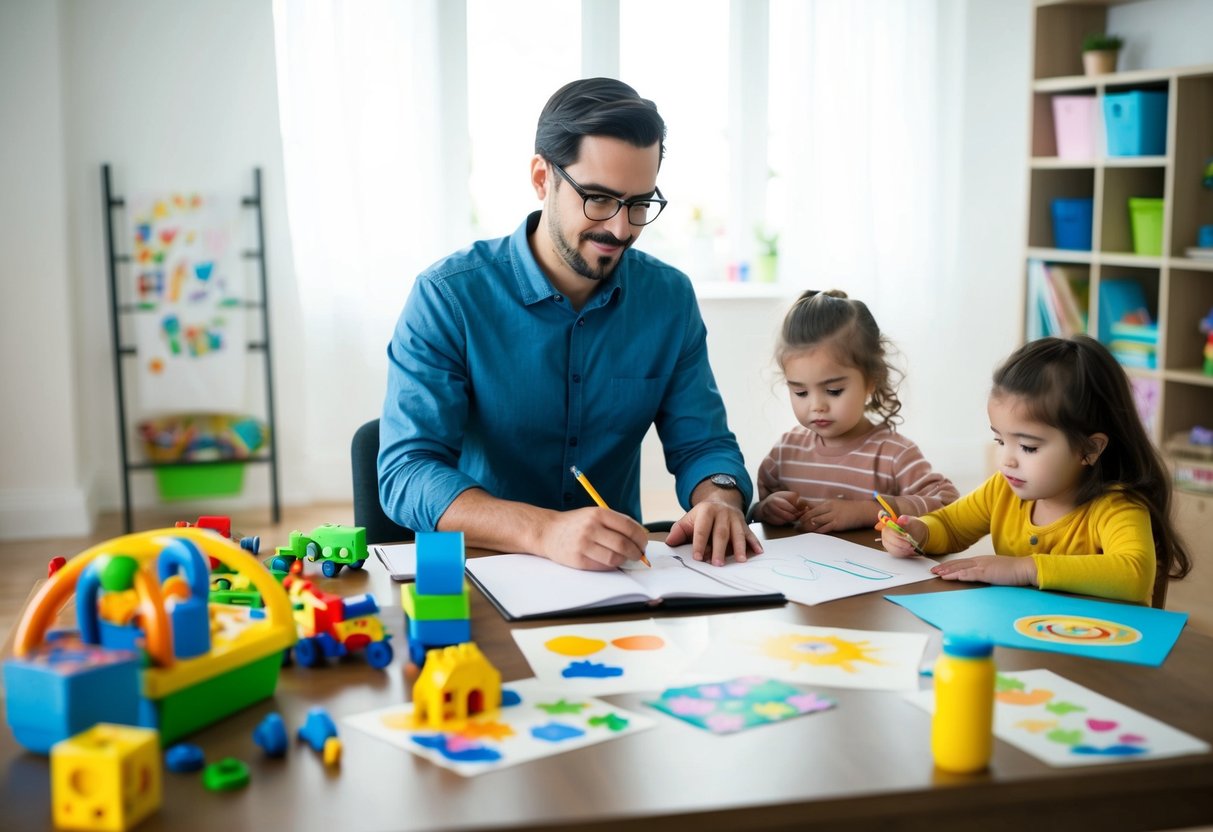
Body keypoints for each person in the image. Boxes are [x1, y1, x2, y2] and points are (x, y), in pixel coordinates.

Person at [379, 78, 760, 571]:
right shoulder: (448, 296)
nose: (621, 229)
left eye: (640, 204)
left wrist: (720, 500)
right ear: (542, 178)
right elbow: (407, 472)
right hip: (483, 569)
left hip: (617, 578)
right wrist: (544, 530)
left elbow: (704, 444)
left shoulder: (669, 299)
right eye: (598, 199)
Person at [881, 334, 1192, 605]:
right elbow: (949, 527)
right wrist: (918, 532)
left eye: (1028, 447)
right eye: (999, 440)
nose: (1006, 460)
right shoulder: (1002, 489)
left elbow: (1134, 574)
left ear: (1090, 449)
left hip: (1098, 658)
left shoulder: (1117, 507)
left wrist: (1025, 568)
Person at [752, 289, 958, 531]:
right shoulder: (784, 453)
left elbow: (949, 505)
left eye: (834, 390)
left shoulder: (894, 455)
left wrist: (868, 511)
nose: (816, 406)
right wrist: (764, 509)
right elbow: (751, 513)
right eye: (801, 393)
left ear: (872, 379)